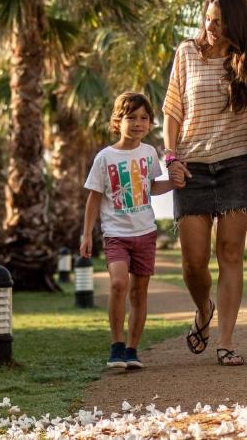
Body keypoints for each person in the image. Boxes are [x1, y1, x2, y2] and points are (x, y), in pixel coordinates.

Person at [162, 0, 247, 367]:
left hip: (238, 165)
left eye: (219, 22)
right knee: (193, 262)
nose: (210, 27)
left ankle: (226, 341)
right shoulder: (187, 52)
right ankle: (204, 307)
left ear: (235, 23)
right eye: (207, 19)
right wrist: (171, 157)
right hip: (192, 166)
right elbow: (173, 109)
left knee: (230, 254)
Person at [81, 92, 184, 370]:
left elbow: (152, 188)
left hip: (145, 233)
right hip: (115, 234)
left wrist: (174, 183)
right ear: (118, 121)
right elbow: (93, 197)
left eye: (143, 118)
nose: (138, 123)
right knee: (118, 284)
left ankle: (132, 349)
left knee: (139, 292)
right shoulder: (105, 157)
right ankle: (116, 345)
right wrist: (86, 234)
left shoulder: (150, 153)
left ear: (150, 124)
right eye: (131, 118)